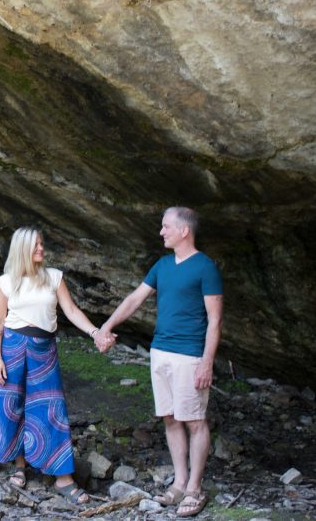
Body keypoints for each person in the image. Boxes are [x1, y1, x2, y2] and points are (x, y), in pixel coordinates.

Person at [95, 206, 223, 518]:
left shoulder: (205, 267)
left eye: (166, 227)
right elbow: (134, 300)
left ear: (184, 231)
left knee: (194, 420)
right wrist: (107, 327)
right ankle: (179, 482)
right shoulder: (162, 265)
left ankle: (195, 487)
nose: (161, 232)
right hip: (161, 351)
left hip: (190, 355)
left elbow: (215, 320)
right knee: (169, 417)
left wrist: (207, 362)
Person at [0, 226, 111, 505]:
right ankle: (20, 465)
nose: (41, 249)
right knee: (12, 406)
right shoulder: (6, 282)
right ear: (22, 249)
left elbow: (71, 311)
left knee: (51, 408)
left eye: (41, 244)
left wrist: (95, 333)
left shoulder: (54, 278)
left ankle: (63, 477)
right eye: (36, 245)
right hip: (12, 348)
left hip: (43, 349)